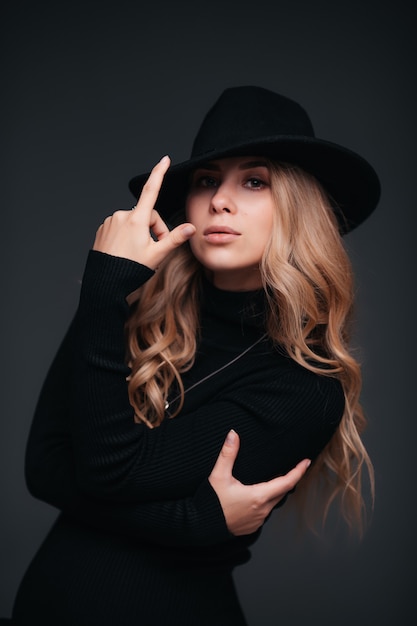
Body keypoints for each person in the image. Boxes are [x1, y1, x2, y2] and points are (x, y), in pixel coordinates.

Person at [11, 85, 380, 626]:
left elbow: (110, 473)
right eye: (207, 180)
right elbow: (43, 468)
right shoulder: (124, 302)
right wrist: (196, 520)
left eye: (254, 181)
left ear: (299, 209)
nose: (219, 201)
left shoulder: (304, 382)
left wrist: (104, 293)